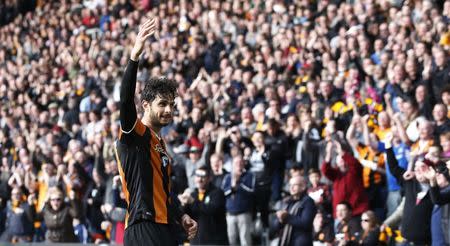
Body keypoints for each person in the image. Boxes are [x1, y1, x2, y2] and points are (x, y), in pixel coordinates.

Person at [114, 18, 197, 246]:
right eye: (162, 104)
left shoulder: (160, 143)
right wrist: (134, 57)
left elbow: (165, 192)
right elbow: (125, 102)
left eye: (171, 104)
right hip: (143, 226)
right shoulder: (136, 133)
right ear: (146, 105)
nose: (169, 110)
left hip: (164, 228)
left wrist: (182, 216)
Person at [179, 166, 228, 245]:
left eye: (203, 176)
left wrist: (193, 201)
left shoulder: (217, 193)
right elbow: (185, 216)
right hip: (195, 241)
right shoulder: (193, 194)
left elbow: (211, 210)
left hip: (214, 242)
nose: (199, 179)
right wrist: (183, 204)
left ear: (209, 178)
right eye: (197, 176)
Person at [274, 175, 316, 246]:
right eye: (290, 185)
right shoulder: (287, 202)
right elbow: (275, 226)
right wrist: (280, 220)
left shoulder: (308, 202)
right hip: (287, 241)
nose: (291, 187)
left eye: (294, 185)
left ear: (303, 187)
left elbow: (306, 223)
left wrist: (287, 217)